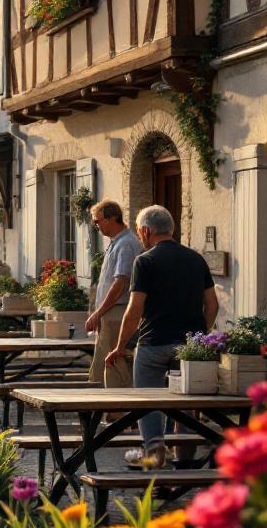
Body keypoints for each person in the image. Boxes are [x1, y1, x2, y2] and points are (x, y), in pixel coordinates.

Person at [104, 205, 217, 468]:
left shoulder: (145, 261)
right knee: (186, 399)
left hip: (153, 343)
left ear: (145, 230)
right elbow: (212, 304)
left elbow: (134, 311)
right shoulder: (195, 259)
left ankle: (155, 450)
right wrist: (200, 338)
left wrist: (120, 346)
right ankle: (184, 454)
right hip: (187, 346)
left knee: (147, 399)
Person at [84, 200, 143, 388]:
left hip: (117, 313)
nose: (96, 225)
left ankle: (118, 412)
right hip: (112, 313)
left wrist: (98, 313)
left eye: (97, 221)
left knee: (115, 366)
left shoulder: (126, 243)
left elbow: (120, 283)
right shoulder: (118, 242)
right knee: (106, 364)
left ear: (112, 219)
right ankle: (111, 413)